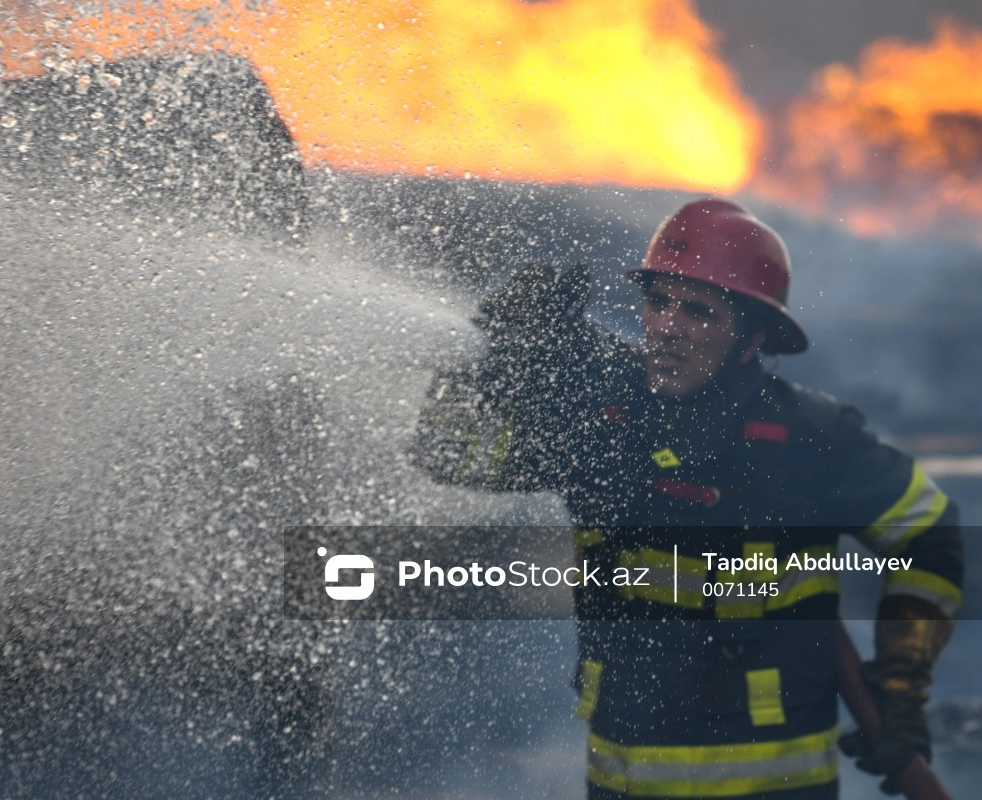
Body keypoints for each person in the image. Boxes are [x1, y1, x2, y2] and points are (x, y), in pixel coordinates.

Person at [413, 198, 964, 799]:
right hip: (622, 782)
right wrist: (493, 372)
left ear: (752, 339)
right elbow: (450, 457)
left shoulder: (810, 436)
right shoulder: (600, 420)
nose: (669, 326)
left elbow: (928, 533)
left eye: (699, 312)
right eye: (658, 302)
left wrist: (902, 685)